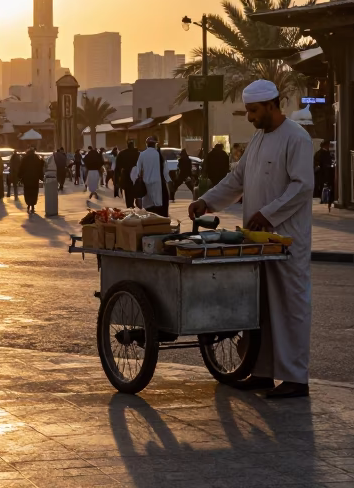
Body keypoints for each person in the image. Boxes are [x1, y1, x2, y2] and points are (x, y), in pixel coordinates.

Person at [188, 79, 315, 399]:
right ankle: (260, 372)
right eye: (247, 111)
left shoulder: (297, 138)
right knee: (257, 308)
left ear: (272, 105)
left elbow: (302, 187)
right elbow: (237, 180)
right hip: (257, 241)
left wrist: (270, 213)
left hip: (286, 241)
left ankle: (296, 378)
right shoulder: (258, 140)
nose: (249, 117)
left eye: (254, 111)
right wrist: (207, 201)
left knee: (289, 308)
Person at [134, 136, 171, 217]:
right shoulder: (158, 154)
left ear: (147, 144)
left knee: (148, 206)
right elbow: (165, 169)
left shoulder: (142, 154)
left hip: (146, 183)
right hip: (158, 184)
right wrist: (168, 180)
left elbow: (138, 169)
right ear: (155, 144)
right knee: (158, 204)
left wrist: (139, 179)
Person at [18, 146, 44, 213]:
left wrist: (19, 177)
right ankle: (32, 206)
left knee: (27, 192)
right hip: (35, 179)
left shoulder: (24, 159)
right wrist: (41, 177)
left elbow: (21, 168)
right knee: (34, 192)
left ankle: (28, 204)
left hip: (27, 179)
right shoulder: (36, 158)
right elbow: (40, 168)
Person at [115, 140, 140, 208]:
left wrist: (117, 178)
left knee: (128, 192)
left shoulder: (122, 154)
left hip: (126, 175)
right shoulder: (138, 153)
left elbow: (117, 167)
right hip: (136, 175)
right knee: (137, 190)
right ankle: (137, 202)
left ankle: (130, 206)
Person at [314, 140, 335, 206]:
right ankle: (324, 198)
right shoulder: (322, 153)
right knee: (324, 185)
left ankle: (324, 198)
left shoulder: (321, 153)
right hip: (323, 173)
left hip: (323, 172)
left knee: (324, 185)